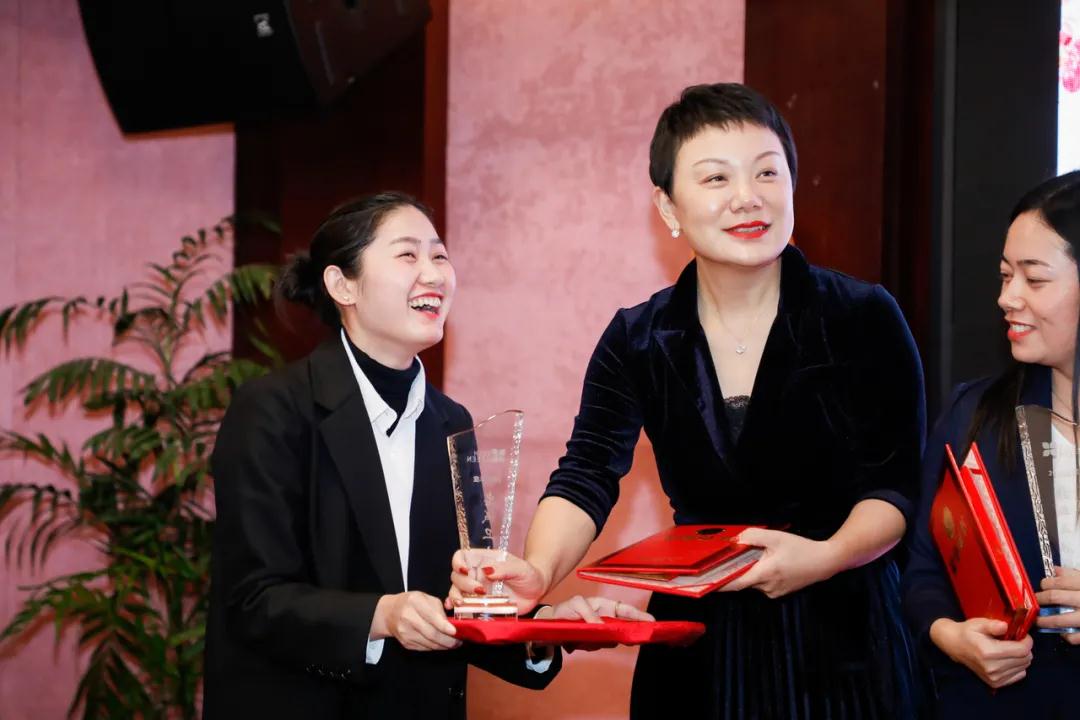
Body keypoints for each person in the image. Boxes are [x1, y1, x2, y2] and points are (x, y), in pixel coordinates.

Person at [450, 83, 926, 718]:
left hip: (845, 634)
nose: (747, 197)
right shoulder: (639, 337)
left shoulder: (862, 315)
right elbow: (588, 472)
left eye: (767, 172)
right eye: (716, 178)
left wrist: (826, 557)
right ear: (668, 206)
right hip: (700, 641)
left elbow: (895, 486)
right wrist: (538, 571)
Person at [203, 192, 639, 719]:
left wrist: (544, 628)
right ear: (343, 285)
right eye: (408, 255)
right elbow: (253, 598)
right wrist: (383, 616)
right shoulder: (272, 410)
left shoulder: (450, 422)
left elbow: (457, 603)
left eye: (440, 256)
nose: (433, 274)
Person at [903, 170, 1080, 717]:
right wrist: (949, 635)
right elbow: (924, 568)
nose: (1008, 298)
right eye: (1005, 276)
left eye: (1035, 279)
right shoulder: (974, 415)